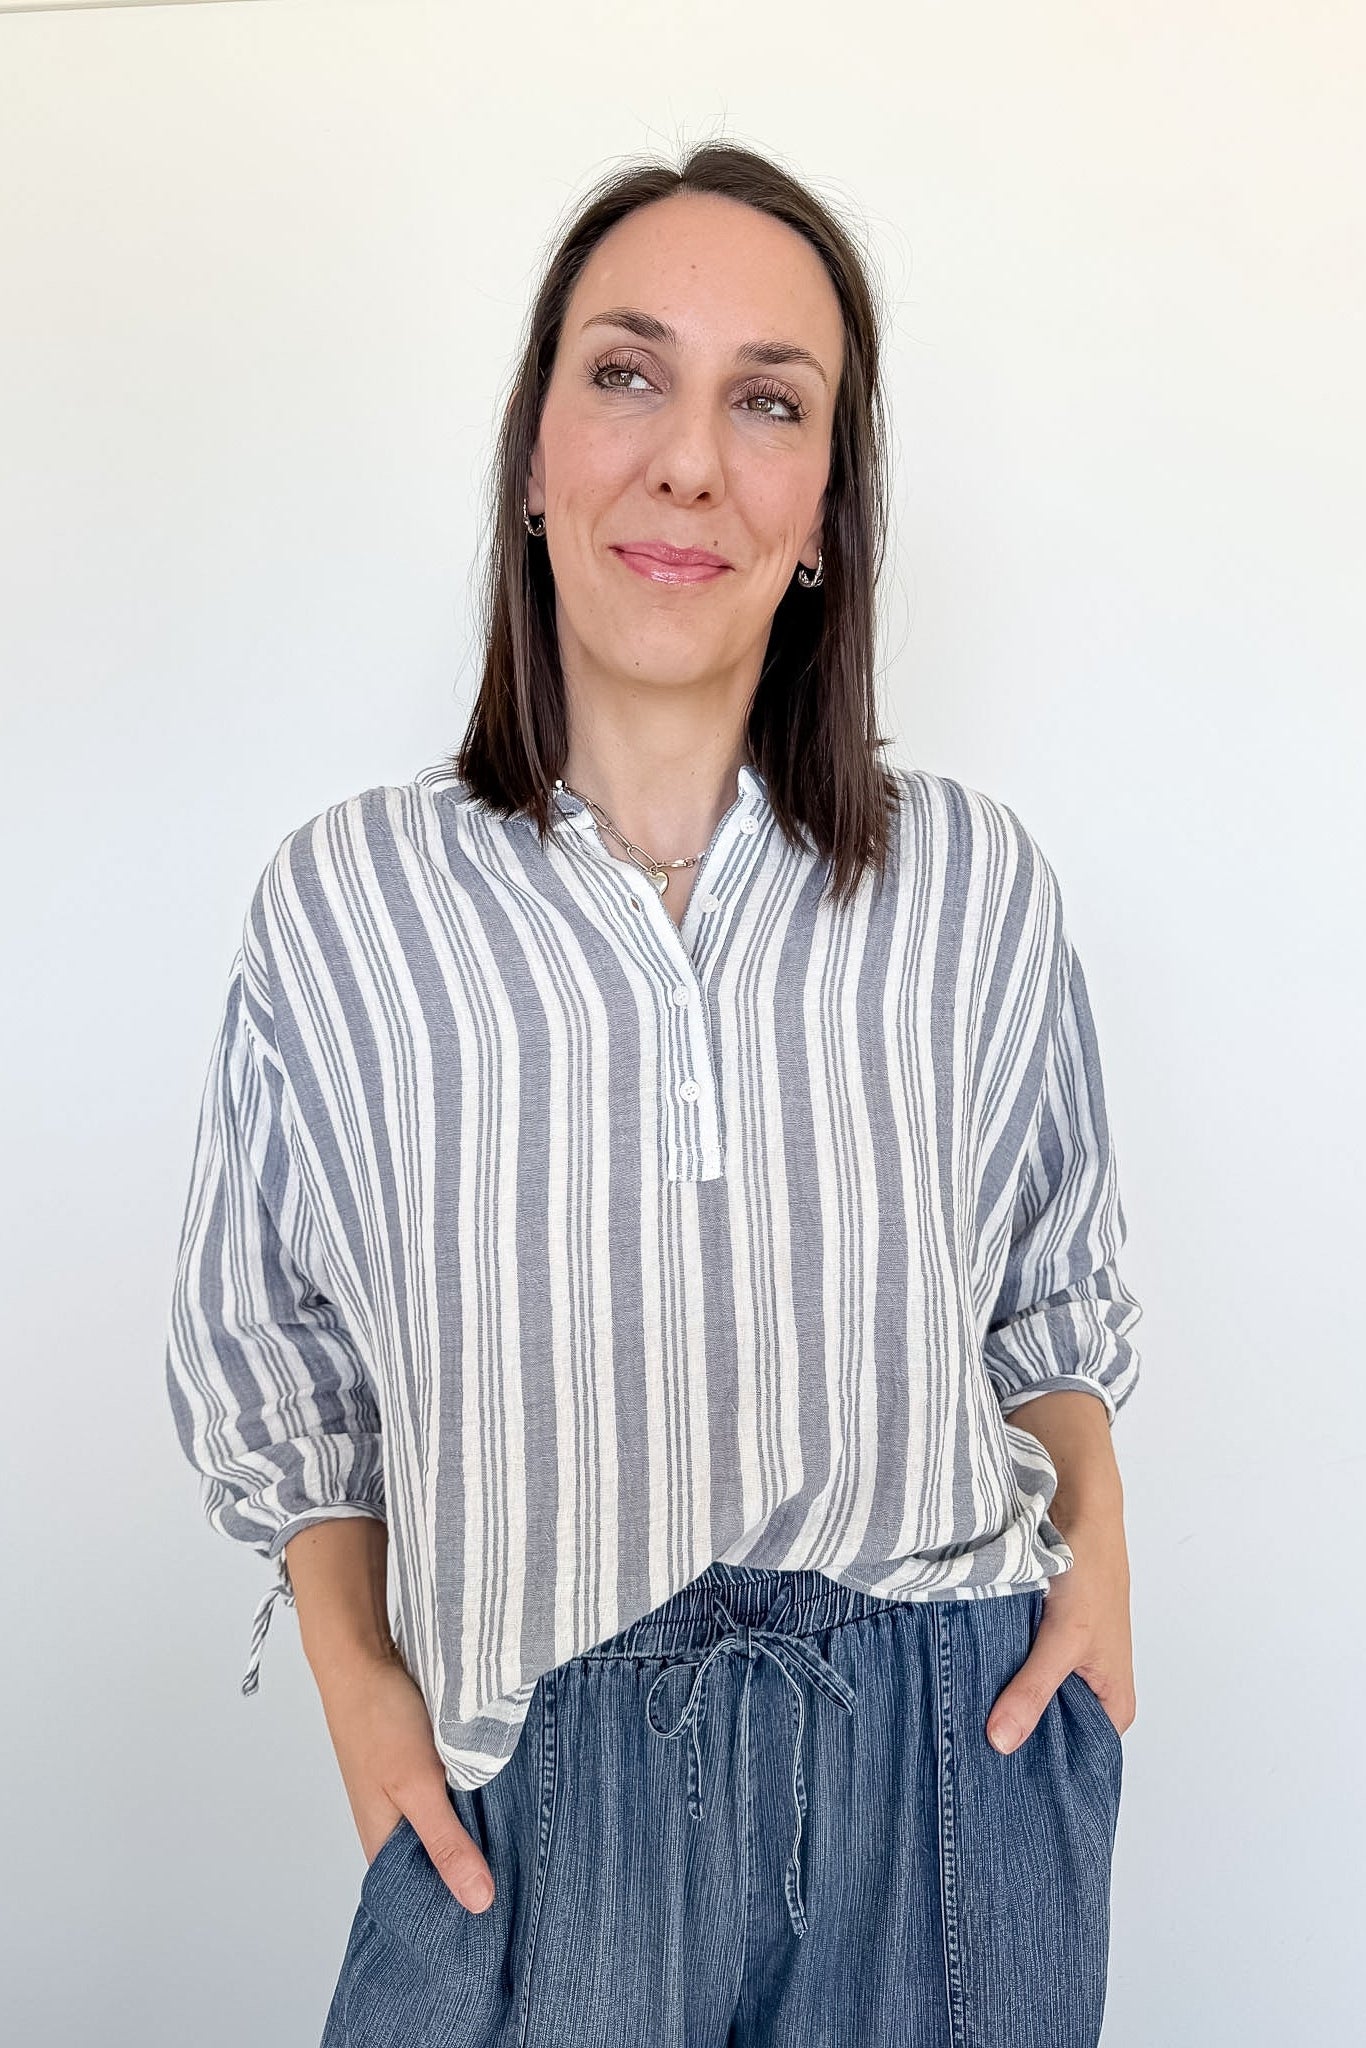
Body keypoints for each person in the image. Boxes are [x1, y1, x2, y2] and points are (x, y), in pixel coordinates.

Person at [164, 141, 1142, 2048]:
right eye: (626, 374)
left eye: (766, 402)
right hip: (537, 1791)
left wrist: (1097, 1554)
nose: (687, 458)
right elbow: (276, 1365)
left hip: (947, 1774)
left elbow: (1051, 1294)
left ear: (822, 517)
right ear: (532, 459)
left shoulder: (971, 882)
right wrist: (365, 1686)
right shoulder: (343, 905)